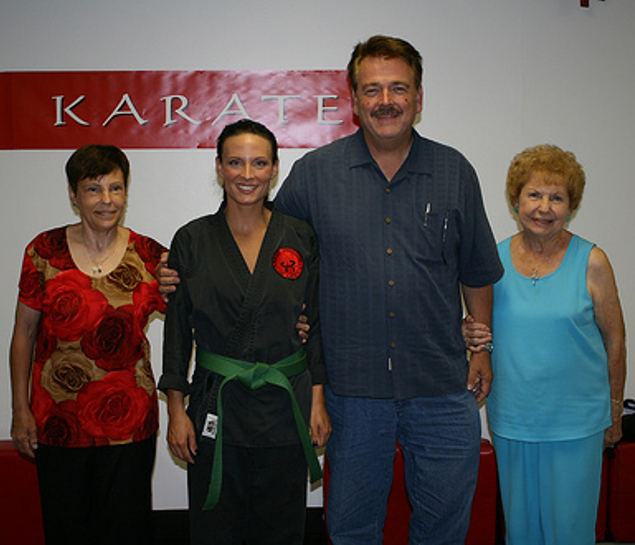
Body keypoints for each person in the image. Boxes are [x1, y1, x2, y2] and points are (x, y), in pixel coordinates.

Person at [158, 35, 503, 544]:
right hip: (351, 388)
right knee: (351, 526)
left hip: (441, 382)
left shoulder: (455, 171)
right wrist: (185, 266)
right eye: (372, 89)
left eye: (398, 88)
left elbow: (475, 269)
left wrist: (482, 348)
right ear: (355, 100)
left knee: (445, 524)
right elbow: (262, 241)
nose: (386, 100)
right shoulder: (316, 174)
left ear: (420, 97)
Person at [158, 119, 330, 545]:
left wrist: (318, 402)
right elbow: (177, 332)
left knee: (282, 528)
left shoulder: (299, 235)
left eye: (258, 163)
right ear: (219, 167)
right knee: (216, 528)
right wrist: (176, 411)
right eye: (235, 162)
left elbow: (318, 323)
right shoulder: (192, 239)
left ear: (274, 168)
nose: (247, 175)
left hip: (286, 402)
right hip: (217, 402)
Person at [464, 144, 626, 545]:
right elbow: (483, 330)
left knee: (569, 532)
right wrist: (470, 334)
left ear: (571, 206)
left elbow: (616, 340)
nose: (544, 207)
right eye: (534, 195)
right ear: (515, 200)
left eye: (557, 198)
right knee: (521, 531)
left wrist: (616, 411)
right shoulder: (493, 260)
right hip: (513, 420)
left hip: (578, 424)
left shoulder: (593, 261)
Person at [9, 145, 166, 545]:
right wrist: (20, 409)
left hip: (130, 425)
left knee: (126, 531)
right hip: (58, 421)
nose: (106, 200)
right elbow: (23, 335)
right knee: (67, 529)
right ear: (73, 194)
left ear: (126, 193)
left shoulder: (150, 257)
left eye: (115, 188)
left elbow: (202, 315)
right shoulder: (43, 251)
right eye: (94, 189)